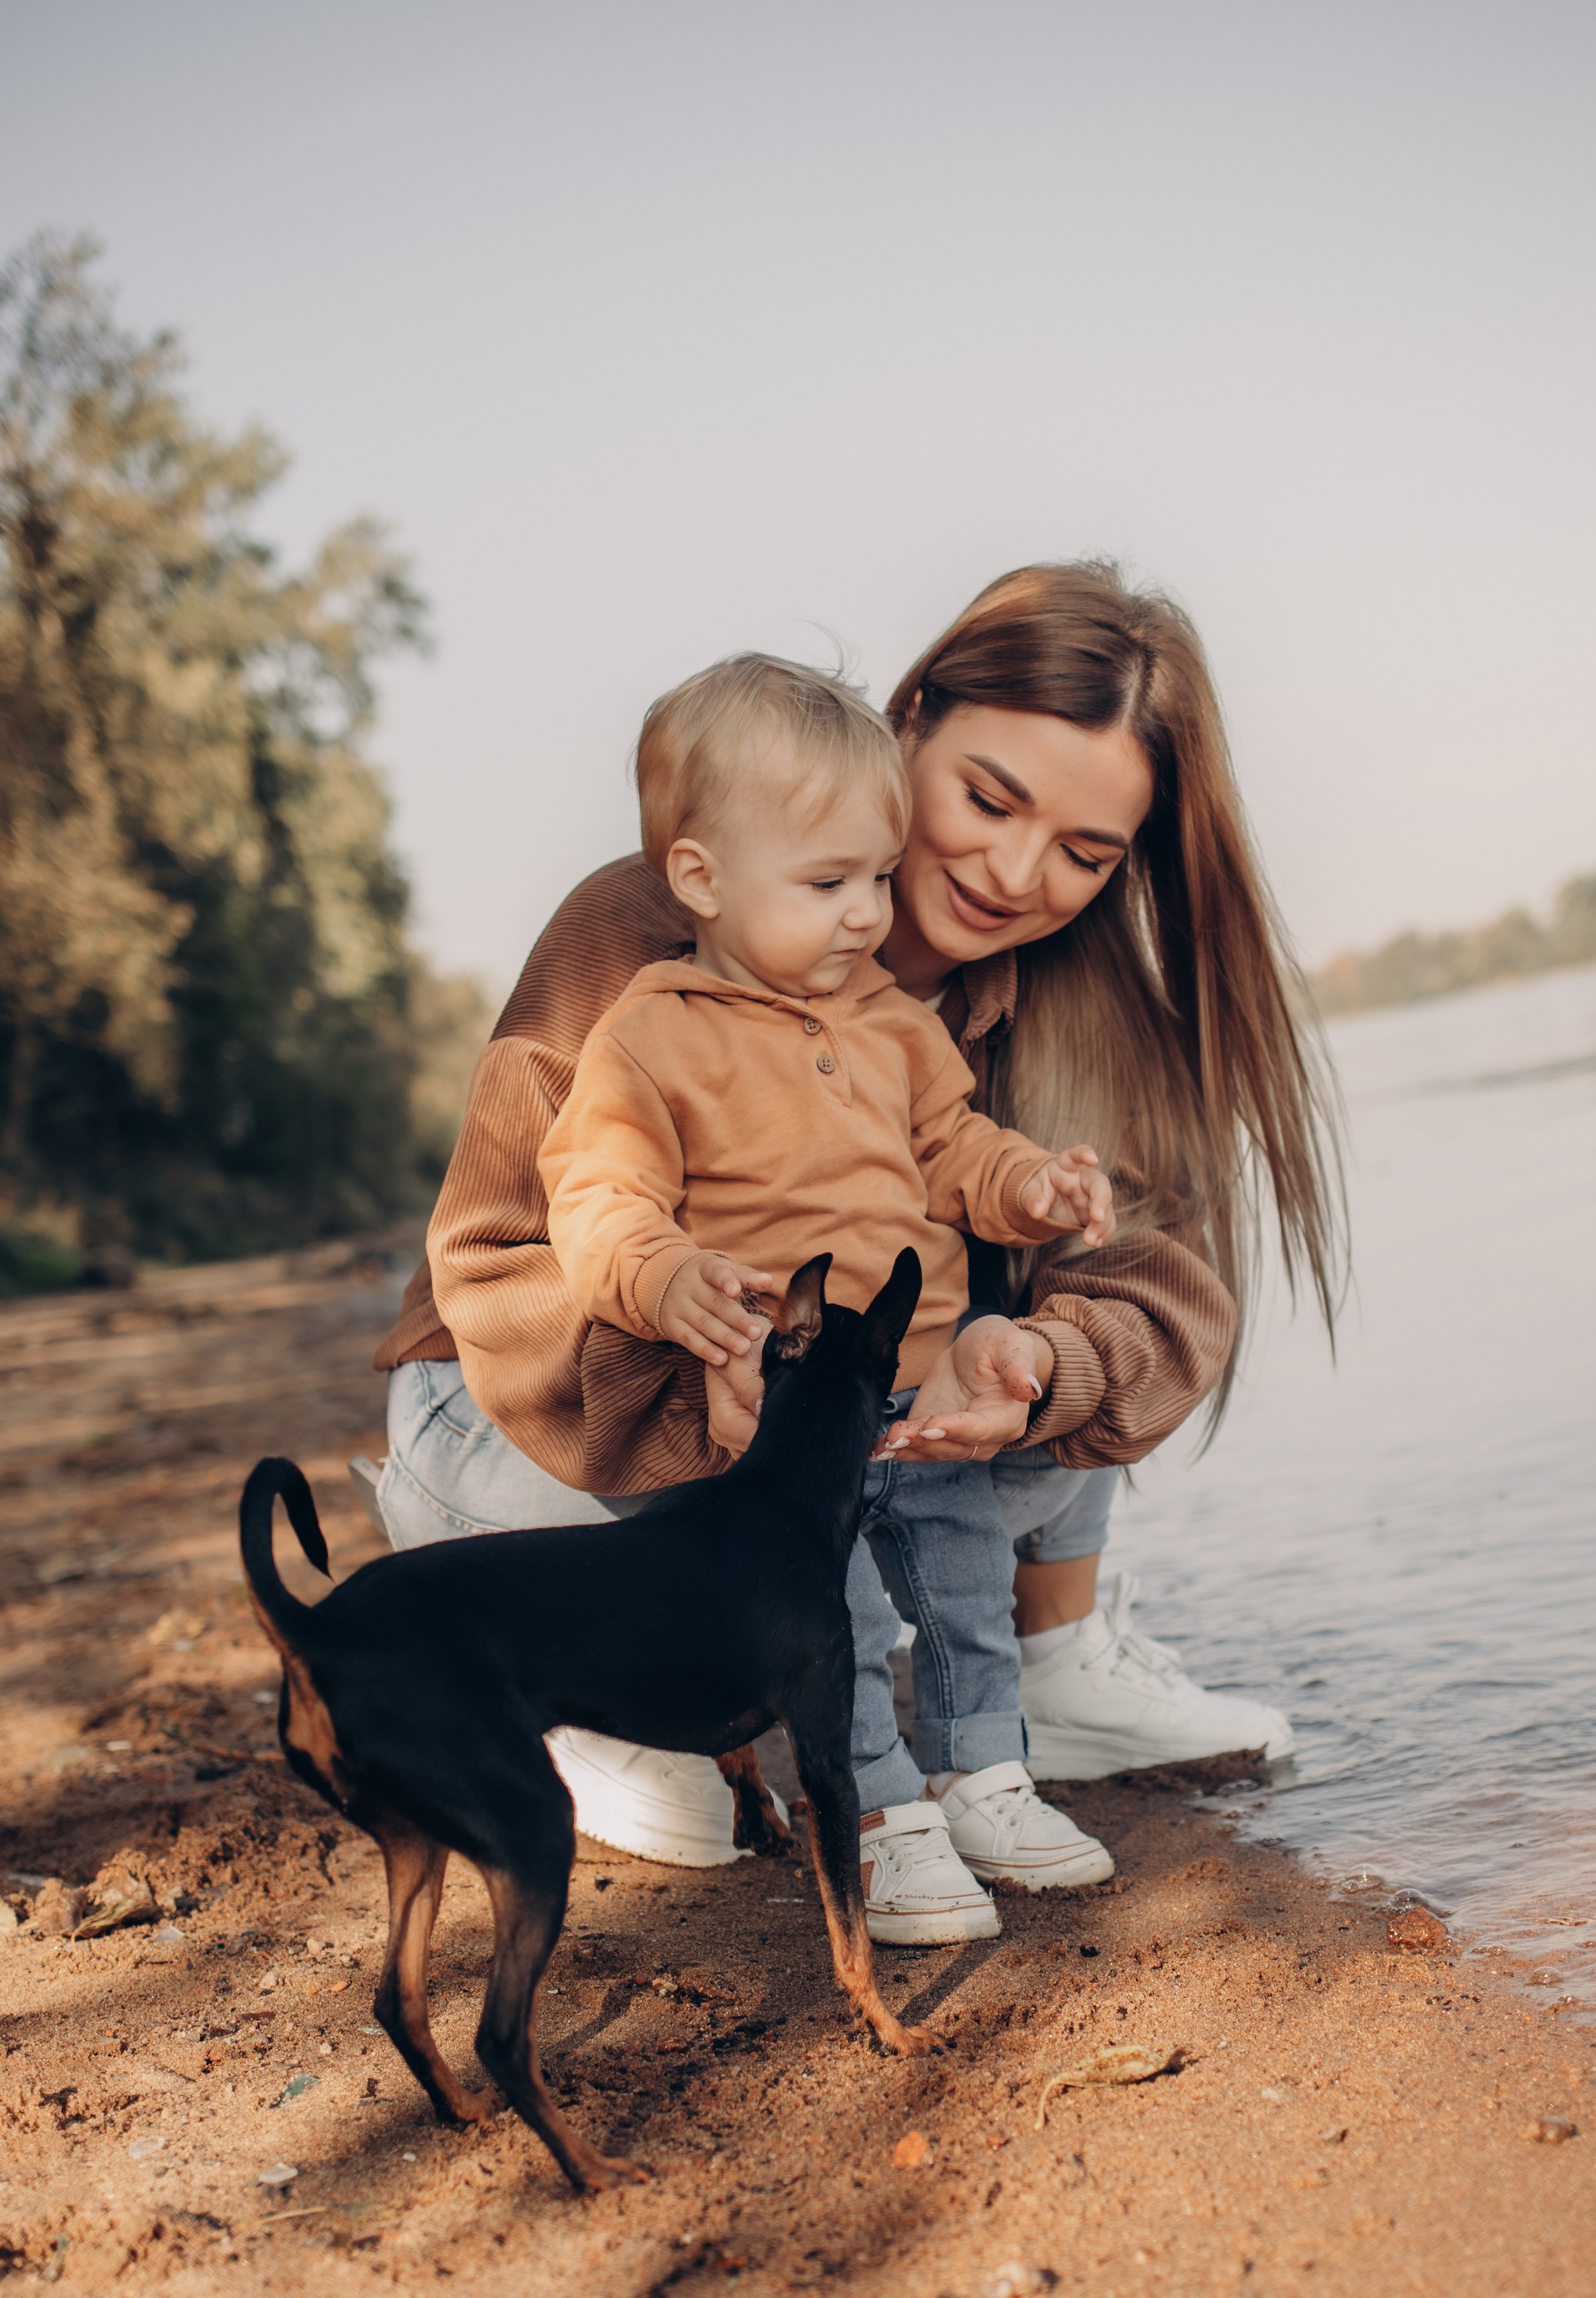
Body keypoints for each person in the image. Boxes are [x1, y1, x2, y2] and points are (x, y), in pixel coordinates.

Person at [372, 559, 1343, 1934]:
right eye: (989, 798)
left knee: (1045, 1342)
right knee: (687, 1615)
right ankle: (588, 1684)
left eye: (1083, 852)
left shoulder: (1054, 1007)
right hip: (545, 1420)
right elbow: (505, 1255)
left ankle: (1043, 1658)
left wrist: (1030, 1361)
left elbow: (1156, 1292)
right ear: (910, 724)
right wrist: (705, 1360)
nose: (1014, 875)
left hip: (830, 1442)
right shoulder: (656, 936)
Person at [538, 648, 1123, 1938]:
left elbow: (952, 1149)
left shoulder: (885, 1017)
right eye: (827, 884)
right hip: (789, 1419)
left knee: (966, 1586)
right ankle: (878, 1809)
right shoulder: (650, 1032)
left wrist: (1028, 1186)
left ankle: (985, 1776)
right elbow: (595, 1199)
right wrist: (668, 1276)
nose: (868, 913)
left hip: (923, 1385)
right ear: (701, 877)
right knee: (836, 1616)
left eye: (875, 875)